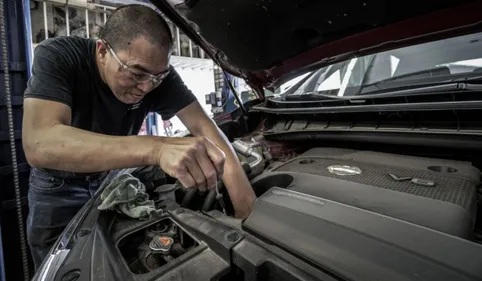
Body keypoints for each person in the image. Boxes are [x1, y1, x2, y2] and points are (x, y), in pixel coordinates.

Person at [22, 4, 256, 269]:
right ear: (102, 51)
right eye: (136, 74)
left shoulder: (156, 76)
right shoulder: (60, 56)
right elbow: (40, 143)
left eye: (157, 77)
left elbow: (205, 128)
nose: (146, 87)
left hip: (112, 179)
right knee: (61, 268)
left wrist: (246, 206)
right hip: (58, 187)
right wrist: (156, 149)